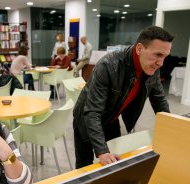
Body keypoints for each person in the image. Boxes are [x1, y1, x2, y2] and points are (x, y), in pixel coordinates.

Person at [73, 26, 173, 168]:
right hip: (86, 119)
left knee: (115, 163)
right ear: (139, 49)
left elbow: (160, 102)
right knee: (85, 168)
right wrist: (102, 151)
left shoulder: (152, 68)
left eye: (164, 57)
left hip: (111, 118)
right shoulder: (108, 65)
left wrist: (173, 131)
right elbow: (92, 111)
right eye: (157, 55)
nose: (160, 63)